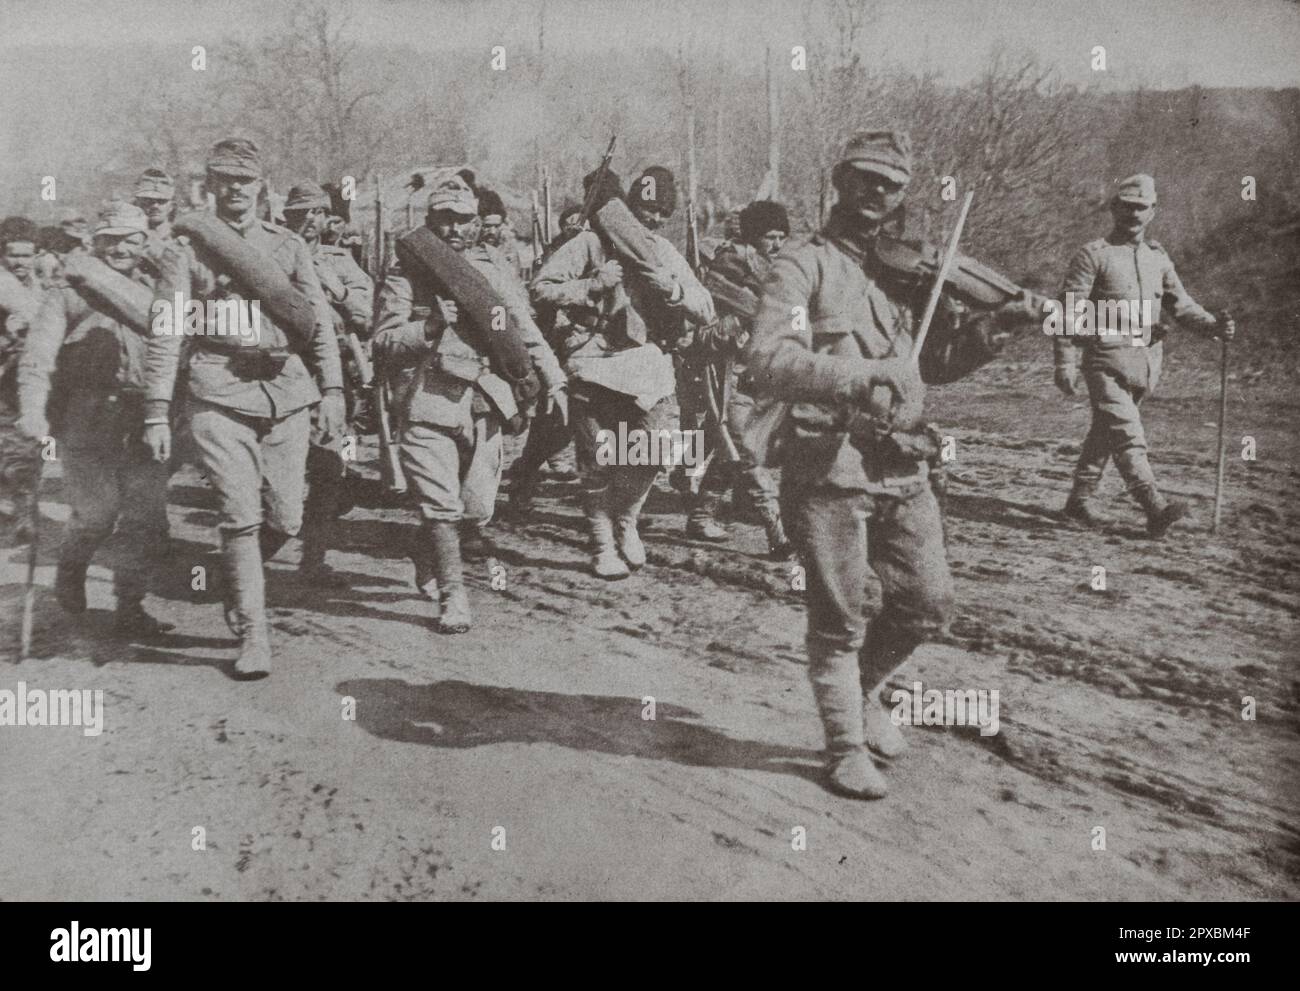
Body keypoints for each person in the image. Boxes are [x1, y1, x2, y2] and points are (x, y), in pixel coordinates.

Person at [745, 129, 1037, 799]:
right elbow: (770, 357)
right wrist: (856, 374)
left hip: (902, 457)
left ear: (903, 192)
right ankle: (844, 745)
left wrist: (998, 327)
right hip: (829, 458)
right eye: (865, 178)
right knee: (841, 613)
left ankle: (869, 693)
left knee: (926, 601)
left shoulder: (907, 272)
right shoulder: (802, 265)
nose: (876, 193)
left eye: (891, 184)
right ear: (841, 180)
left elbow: (932, 364)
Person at [143, 137, 345, 676]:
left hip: (287, 390)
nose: (236, 189)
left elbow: (318, 322)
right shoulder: (188, 250)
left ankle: (237, 579)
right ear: (210, 186)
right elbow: (166, 332)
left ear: (262, 186)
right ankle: (254, 633)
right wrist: (158, 408)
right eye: (225, 179)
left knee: (287, 516)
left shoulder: (287, 246)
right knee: (239, 514)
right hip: (218, 389)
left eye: (246, 180)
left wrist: (334, 390)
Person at [372, 171, 565, 632]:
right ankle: (453, 596)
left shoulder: (493, 268)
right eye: (444, 218)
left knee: (476, 509)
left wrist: (554, 380)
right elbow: (382, 342)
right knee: (441, 507)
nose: (454, 228)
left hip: (486, 400)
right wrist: (430, 328)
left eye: (463, 219)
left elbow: (524, 330)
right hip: (429, 399)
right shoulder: (408, 272)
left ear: (478, 221)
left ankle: (428, 552)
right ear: (430, 219)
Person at [532, 165, 715, 578]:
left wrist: (672, 289)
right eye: (645, 209)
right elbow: (541, 289)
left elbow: (705, 308)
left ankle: (627, 520)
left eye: (660, 213)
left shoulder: (662, 252)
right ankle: (601, 545)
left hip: (646, 364)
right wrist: (592, 284)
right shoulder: (589, 243)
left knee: (653, 451)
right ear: (627, 207)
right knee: (597, 459)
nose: (652, 219)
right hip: (592, 360)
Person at [17, 202, 171, 635]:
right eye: (110, 239)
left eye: (130, 239)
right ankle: (72, 561)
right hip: (87, 421)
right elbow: (37, 359)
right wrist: (32, 412)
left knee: (146, 519)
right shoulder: (68, 292)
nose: (120, 248)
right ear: (94, 242)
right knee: (98, 514)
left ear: (144, 244)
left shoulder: (161, 291)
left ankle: (130, 606)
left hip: (144, 419)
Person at [1054, 173, 1234, 536]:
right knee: (1127, 433)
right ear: (1114, 208)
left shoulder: (1157, 258)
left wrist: (1213, 325)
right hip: (1105, 359)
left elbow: (1181, 305)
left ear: (1153, 211)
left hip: (1146, 364)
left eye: (1142, 208)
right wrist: (1064, 361)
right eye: (1127, 206)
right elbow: (1068, 311)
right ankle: (1154, 506)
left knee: (1106, 432)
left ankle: (1079, 500)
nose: (1133, 214)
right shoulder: (1094, 255)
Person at [283, 180, 375, 580]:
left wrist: (332, 286)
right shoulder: (270, 256)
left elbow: (368, 315)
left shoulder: (340, 262)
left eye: (316, 214)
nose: (308, 221)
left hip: (330, 377)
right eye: (299, 214)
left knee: (327, 468)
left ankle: (313, 558)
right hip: (281, 374)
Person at [693, 198, 793, 556]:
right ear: (753, 236)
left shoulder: (780, 275)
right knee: (747, 451)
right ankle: (778, 532)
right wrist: (736, 325)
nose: (777, 244)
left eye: (782, 236)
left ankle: (702, 514)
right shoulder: (727, 268)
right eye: (770, 236)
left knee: (731, 450)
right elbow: (702, 328)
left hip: (762, 378)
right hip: (726, 376)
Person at [0, 216, 44, 539]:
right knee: (16, 444)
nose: (19, 261)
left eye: (26, 255)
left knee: (26, 443)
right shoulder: (4, 285)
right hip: (5, 375)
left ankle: (24, 508)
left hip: (26, 375)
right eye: (12, 254)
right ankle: (23, 511)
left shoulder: (36, 283)